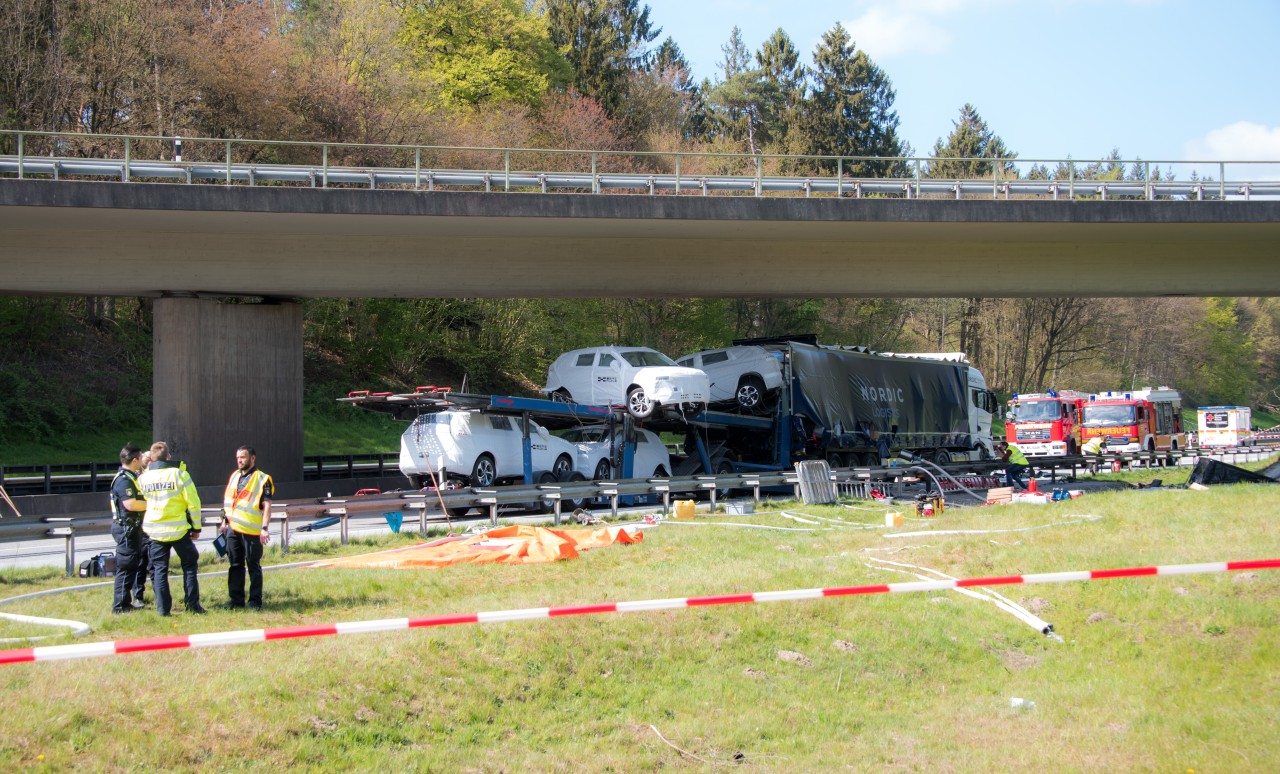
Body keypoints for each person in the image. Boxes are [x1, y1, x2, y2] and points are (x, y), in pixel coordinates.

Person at [138, 441, 205, 616]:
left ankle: (163, 610)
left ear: (151, 458)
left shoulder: (143, 478)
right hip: (178, 530)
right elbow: (194, 503)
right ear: (168, 457)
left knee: (159, 570)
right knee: (189, 565)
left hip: (155, 531)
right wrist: (196, 527)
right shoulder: (180, 475)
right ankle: (192, 605)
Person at [221, 446, 274, 610]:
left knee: (253, 566)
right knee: (235, 565)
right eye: (238, 457)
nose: (239, 460)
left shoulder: (263, 478)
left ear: (252, 458)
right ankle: (236, 601)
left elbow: (267, 505)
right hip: (233, 529)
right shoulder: (234, 476)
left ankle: (255, 601)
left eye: (243, 457)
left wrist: (264, 528)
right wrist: (224, 521)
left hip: (252, 531)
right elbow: (230, 500)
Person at [109, 444, 147, 614]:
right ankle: (120, 606)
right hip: (126, 528)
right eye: (140, 458)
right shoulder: (124, 479)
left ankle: (125, 603)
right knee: (125, 567)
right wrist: (152, 505)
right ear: (134, 460)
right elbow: (130, 504)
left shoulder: (131, 477)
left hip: (130, 527)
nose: (141, 461)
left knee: (131, 566)